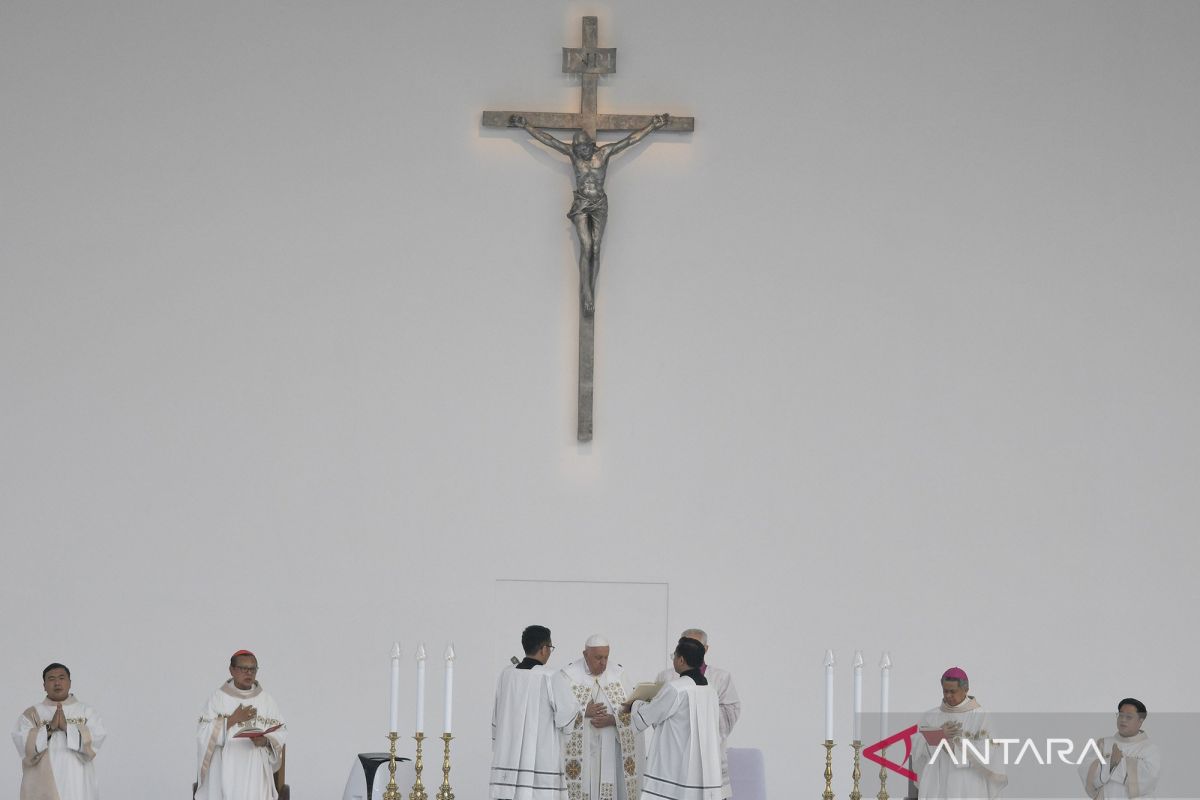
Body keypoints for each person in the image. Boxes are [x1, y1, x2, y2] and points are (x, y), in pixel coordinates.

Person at [508, 113, 670, 315]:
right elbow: (549, 141)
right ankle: (586, 292)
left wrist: (652, 127)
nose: (580, 152)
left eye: (583, 148)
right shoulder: (573, 154)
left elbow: (630, 140)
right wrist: (527, 127)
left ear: (591, 144)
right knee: (586, 246)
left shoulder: (604, 153)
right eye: (576, 148)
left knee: (596, 247)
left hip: (600, 204)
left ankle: (591, 287)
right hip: (582, 203)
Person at [623, 638, 722, 800]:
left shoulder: (676, 688)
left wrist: (635, 704)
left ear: (681, 660)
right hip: (705, 769)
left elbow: (647, 716)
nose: (674, 660)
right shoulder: (710, 689)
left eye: (674, 656)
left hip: (676, 762)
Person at [491, 625, 578, 800]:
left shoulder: (507, 674)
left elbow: (496, 716)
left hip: (507, 755)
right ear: (544, 649)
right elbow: (567, 716)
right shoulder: (551, 676)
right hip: (540, 759)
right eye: (550, 648)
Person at [655, 629, 740, 799]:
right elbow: (658, 713)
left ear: (705, 649)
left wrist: (702, 722)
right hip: (676, 755)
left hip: (709, 754)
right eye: (684, 643)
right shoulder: (666, 677)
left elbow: (731, 711)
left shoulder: (720, 677)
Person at [559, 635, 645, 800]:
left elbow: (633, 709)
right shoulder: (568, 676)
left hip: (609, 747)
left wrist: (614, 720)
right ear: (585, 654)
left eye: (606, 657)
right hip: (582, 747)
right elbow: (559, 713)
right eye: (598, 658)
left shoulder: (619, 674)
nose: (604, 663)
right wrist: (584, 711)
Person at [195, 650, 288, 800]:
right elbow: (202, 733)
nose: (248, 673)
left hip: (255, 769)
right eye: (243, 669)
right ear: (231, 670)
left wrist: (265, 741)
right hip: (224, 769)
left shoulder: (266, 700)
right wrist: (232, 720)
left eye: (252, 669)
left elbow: (281, 731)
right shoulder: (217, 699)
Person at [11, 662, 106, 800]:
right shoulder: (32, 714)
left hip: (77, 781)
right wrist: (50, 727)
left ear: (69, 682)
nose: (57, 683)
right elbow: (23, 744)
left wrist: (67, 728)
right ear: (44, 685)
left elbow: (97, 738)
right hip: (42, 784)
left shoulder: (86, 711)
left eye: (61, 678)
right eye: (51, 679)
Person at [908, 667, 1006, 800]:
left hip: (967, 782)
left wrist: (954, 747)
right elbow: (916, 745)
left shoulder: (980, 716)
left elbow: (989, 750)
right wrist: (938, 736)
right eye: (945, 691)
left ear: (966, 689)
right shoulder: (931, 716)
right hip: (937, 780)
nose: (948, 695)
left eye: (952, 691)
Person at [1078, 698, 1161, 799]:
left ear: (1140, 721)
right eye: (1120, 715)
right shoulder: (1103, 743)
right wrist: (1110, 763)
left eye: (1129, 717)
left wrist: (1118, 763)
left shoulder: (1149, 749)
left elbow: (1148, 781)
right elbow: (1085, 771)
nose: (1123, 720)